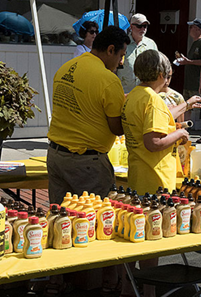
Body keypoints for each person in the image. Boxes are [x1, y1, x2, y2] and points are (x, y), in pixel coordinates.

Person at [121, 49, 189, 297]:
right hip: (156, 178)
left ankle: (127, 287)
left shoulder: (134, 96)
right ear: (161, 74)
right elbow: (154, 142)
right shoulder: (154, 100)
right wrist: (180, 134)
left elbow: (150, 126)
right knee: (151, 239)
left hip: (138, 173)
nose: (169, 81)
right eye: (169, 76)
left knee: (134, 234)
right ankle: (148, 292)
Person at [47, 26, 130, 205]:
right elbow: (117, 128)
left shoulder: (66, 67)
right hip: (86, 163)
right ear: (110, 50)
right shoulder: (108, 80)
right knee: (95, 220)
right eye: (121, 55)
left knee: (61, 221)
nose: (121, 62)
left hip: (56, 155)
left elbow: (85, 103)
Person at [117, 13, 158, 93]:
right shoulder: (122, 43)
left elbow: (157, 66)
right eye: (139, 26)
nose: (143, 29)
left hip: (144, 91)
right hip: (124, 91)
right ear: (131, 26)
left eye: (145, 26)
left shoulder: (151, 44)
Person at [179, 18, 201, 99]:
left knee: (196, 109)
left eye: (191, 27)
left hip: (196, 84)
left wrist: (189, 62)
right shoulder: (195, 42)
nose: (189, 30)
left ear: (198, 29)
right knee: (187, 108)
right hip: (188, 83)